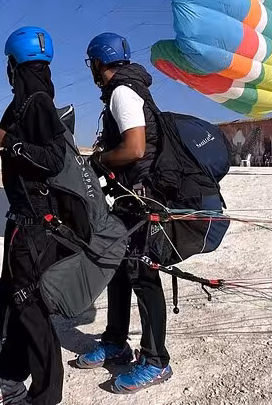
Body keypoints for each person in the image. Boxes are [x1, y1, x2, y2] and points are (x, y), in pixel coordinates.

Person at [0, 27, 67, 405]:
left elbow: (53, 158)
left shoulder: (39, 101)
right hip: (22, 223)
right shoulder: (23, 103)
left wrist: (6, 141)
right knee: (17, 302)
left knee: (31, 307)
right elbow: (19, 147)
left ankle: (45, 397)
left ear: (13, 64)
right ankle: (11, 379)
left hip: (37, 227)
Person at [76, 32, 173, 393]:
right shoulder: (129, 89)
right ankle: (116, 341)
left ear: (99, 62)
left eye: (92, 64)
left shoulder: (122, 92)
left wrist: (98, 160)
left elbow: (133, 149)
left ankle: (155, 360)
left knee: (143, 276)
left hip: (143, 199)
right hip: (132, 197)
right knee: (116, 265)